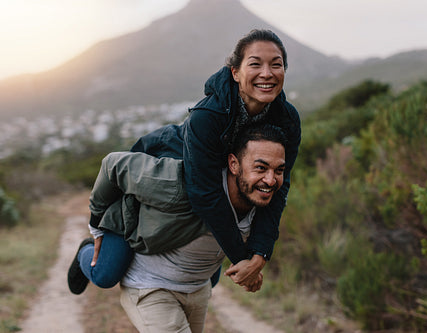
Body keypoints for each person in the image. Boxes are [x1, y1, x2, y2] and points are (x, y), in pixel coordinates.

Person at [68, 28, 300, 293]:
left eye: (276, 64)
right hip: (172, 176)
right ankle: (85, 253)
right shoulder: (208, 116)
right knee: (107, 273)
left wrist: (260, 253)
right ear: (235, 72)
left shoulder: (287, 120)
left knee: (206, 280)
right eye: (255, 64)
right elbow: (206, 194)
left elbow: (279, 188)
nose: (267, 73)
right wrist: (244, 260)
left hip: (205, 195)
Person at [73, 124, 287, 333]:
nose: (270, 179)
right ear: (233, 164)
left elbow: (257, 241)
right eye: (260, 167)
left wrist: (254, 263)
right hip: (149, 283)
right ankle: (86, 252)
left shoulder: (267, 203)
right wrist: (96, 226)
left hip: (197, 287)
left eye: (279, 170)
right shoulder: (180, 183)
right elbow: (113, 165)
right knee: (104, 275)